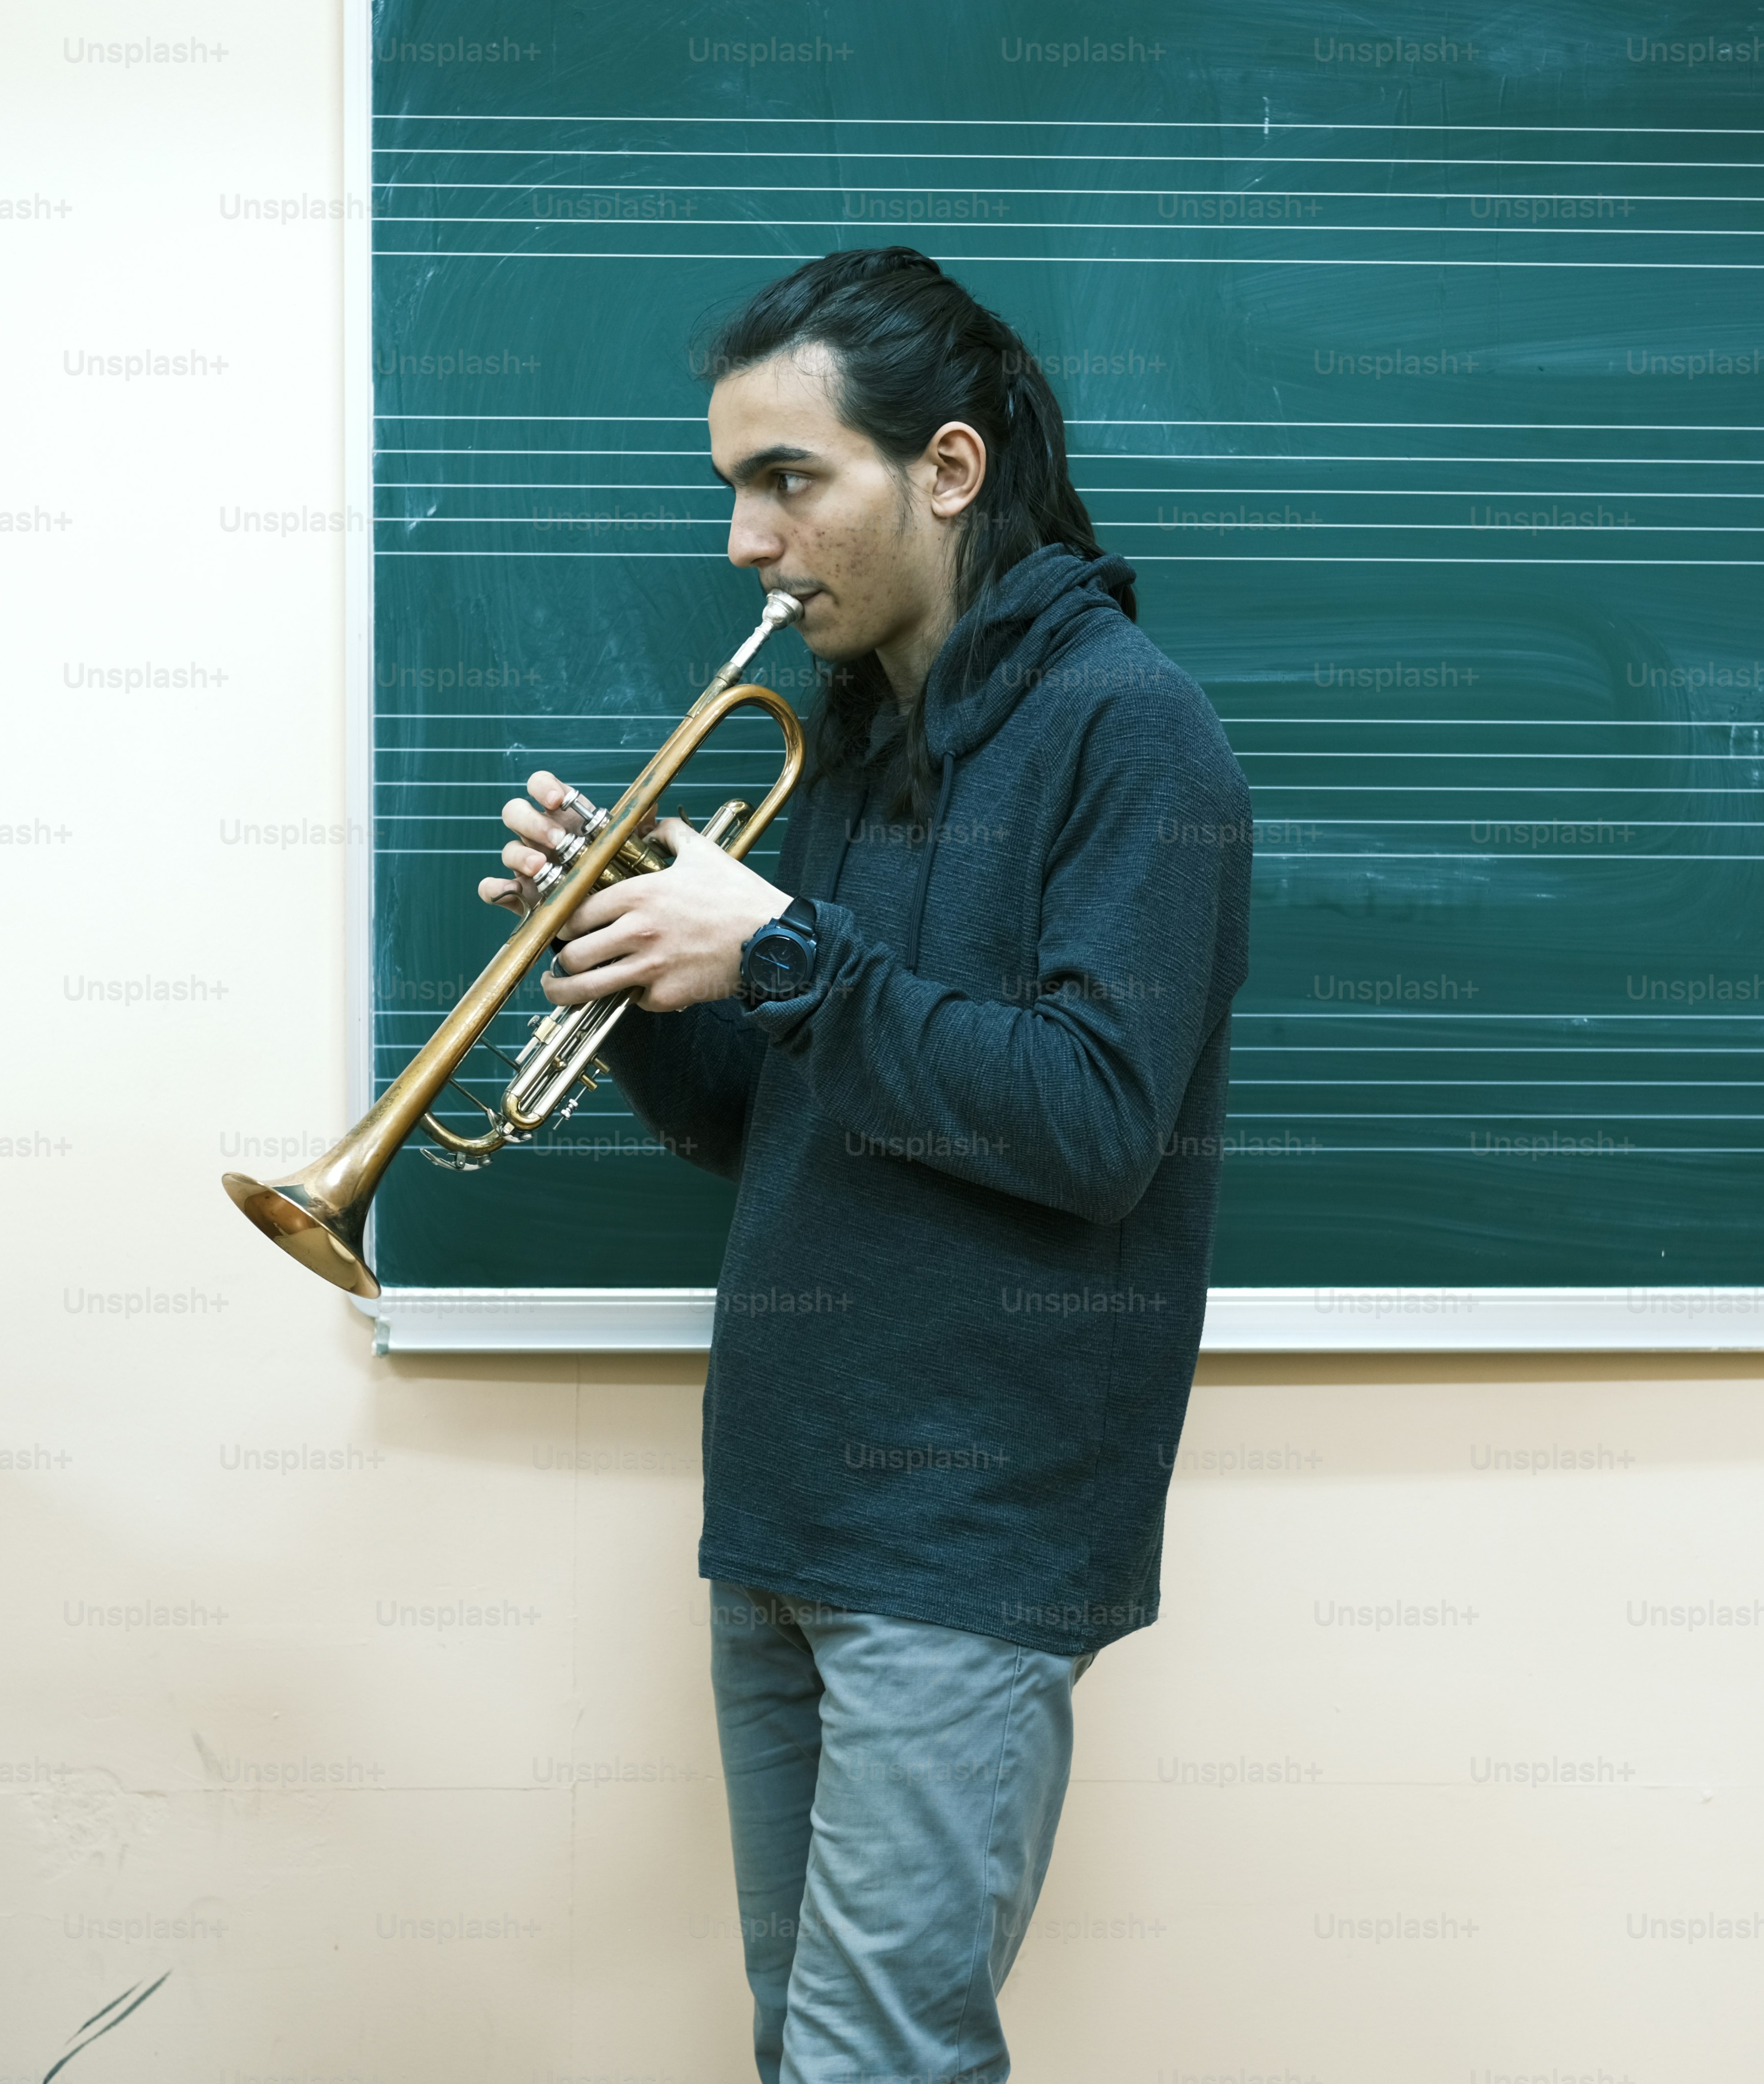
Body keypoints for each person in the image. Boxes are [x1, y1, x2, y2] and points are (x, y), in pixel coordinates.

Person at [478, 246, 1251, 2083]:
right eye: (733, 488)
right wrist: (647, 978)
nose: (748, 539)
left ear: (952, 473)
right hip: (786, 1510)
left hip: (965, 1533)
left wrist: (789, 955)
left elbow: (1089, 1125)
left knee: (875, 2064)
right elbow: (773, 1120)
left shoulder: (1132, 732)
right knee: (807, 2052)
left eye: (790, 480)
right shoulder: (849, 751)